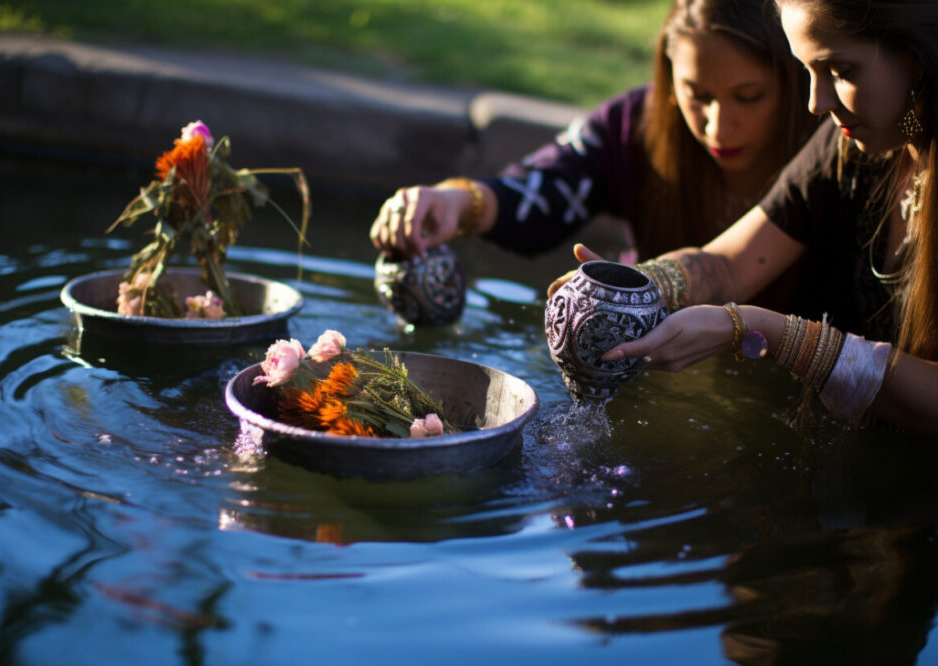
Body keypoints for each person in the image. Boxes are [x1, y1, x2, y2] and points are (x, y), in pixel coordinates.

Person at [590, 0, 938, 435]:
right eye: (807, 70)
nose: (815, 102)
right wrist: (636, 287)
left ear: (920, 55)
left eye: (841, 71)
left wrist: (764, 330)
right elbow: (731, 263)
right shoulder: (851, 141)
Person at [369, 0, 818, 269]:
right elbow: (547, 186)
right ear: (668, 81)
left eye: (749, 96)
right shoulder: (634, 124)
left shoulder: (827, 150)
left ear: (796, 83)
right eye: (696, 95)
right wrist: (456, 203)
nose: (718, 126)